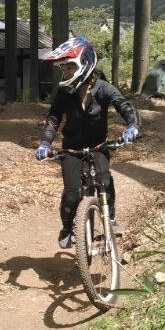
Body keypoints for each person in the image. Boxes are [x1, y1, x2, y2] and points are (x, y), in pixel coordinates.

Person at [34, 36, 141, 249]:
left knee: (104, 180)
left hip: (99, 146)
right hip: (71, 149)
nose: (66, 73)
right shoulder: (64, 93)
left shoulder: (104, 88)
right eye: (64, 69)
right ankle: (67, 227)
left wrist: (132, 126)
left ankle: (110, 220)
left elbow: (124, 105)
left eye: (70, 67)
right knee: (72, 193)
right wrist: (45, 144)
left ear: (85, 63)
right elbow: (54, 118)